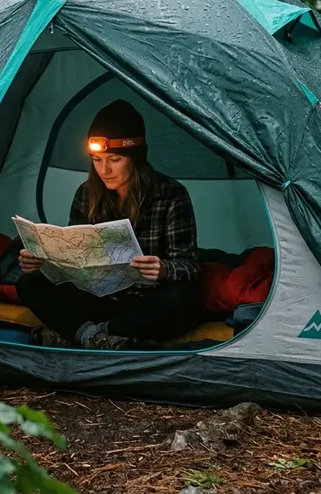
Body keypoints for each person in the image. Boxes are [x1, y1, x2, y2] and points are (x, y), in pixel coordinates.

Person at [16, 99, 202, 350]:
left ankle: (84, 335)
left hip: (143, 302)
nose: (104, 170)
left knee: (182, 297)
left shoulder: (171, 195)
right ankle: (101, 339)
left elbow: (190, 266)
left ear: (135, 158)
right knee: (28, 284)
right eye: (96, 159)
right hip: (96, 297)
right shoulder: (86, 193)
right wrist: (41, 264)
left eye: (114, 159)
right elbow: (72, 259)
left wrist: (164, 269)